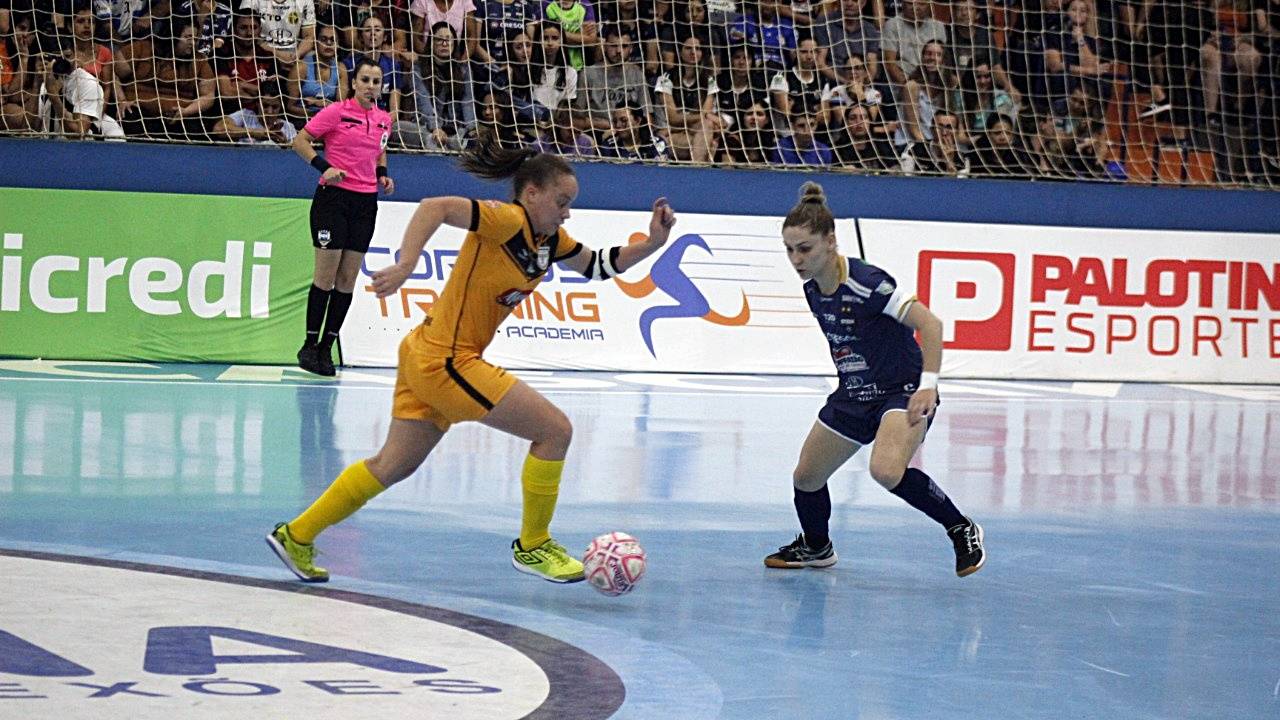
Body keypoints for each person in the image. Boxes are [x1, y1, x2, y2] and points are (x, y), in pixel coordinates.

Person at [266, 141, 678, 584]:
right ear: (532, 193)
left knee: (392, 466)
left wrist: (653, 243)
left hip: (427, 353)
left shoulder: (549, 241)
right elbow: (434, 208)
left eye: (570, 205)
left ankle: (297, 534)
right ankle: (534, 545)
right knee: (555, 431)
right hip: (447, 359)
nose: (567, 213)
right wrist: (407, 264)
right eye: (562, 202)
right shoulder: (505, 220)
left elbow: (597, 265)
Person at [764, 181, 985, 578]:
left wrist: (928, 384)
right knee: (807, 477)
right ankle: (817, 548)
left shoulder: (866, 282)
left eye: (804, 249)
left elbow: (930, 324)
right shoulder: (813, 289)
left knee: (885, 470)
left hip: (900, 391)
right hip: (854, 393)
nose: (796, 259)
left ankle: (961, 527)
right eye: (789, 250)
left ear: (830, 242)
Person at [290, 56, 396, 377]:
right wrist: (325, 168)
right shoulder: (336, 112)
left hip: (365, 203)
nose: (370, 86)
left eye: (376, 81)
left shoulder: (383, 119)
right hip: (332, 200)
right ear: (353, 83)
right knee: (325, 276)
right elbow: (300, 141)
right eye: (365, 80)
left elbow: (380, 147)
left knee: (347, 280)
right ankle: (309, 346)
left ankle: (326, 347)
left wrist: (382, 173)